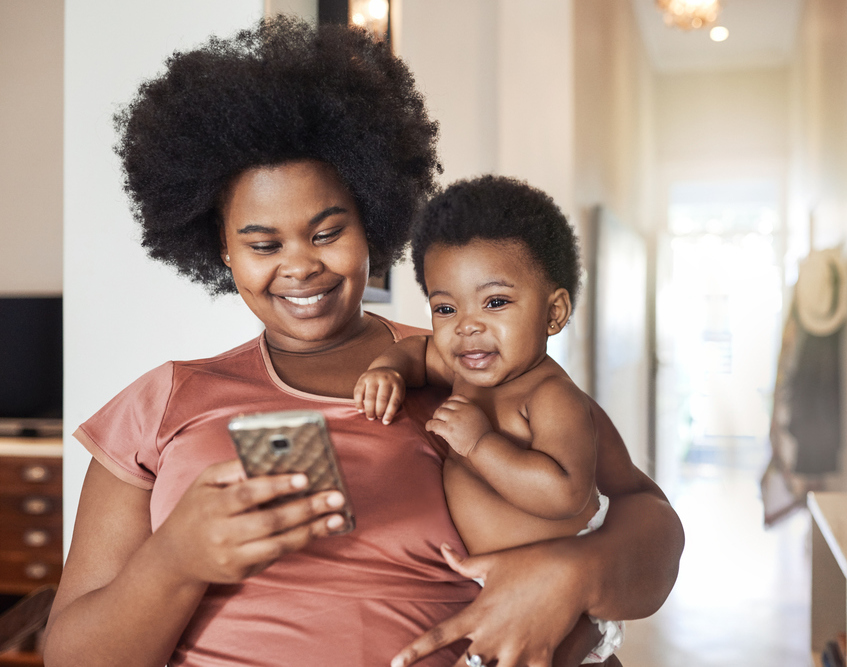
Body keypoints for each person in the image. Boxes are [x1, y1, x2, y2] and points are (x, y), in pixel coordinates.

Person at [43, 17, 684, 667]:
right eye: (264, 243)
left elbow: (651, 525)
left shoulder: (469, 364)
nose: (300, 266)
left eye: (326, 232)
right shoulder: (164, 401)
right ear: (224, 250)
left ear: (373, 225)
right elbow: (71, 656)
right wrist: (176, 560)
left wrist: (569, 574)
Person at [354, 175, 624, 665]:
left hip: (557, 607)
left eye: (495, 302)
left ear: (554, 313)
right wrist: (387, 369)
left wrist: (479, 445)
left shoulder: (550, 396)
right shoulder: (467, 370)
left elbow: (565, 492)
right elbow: (418, 352)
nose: (466, 325)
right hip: (498, 593)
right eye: (445, 307)